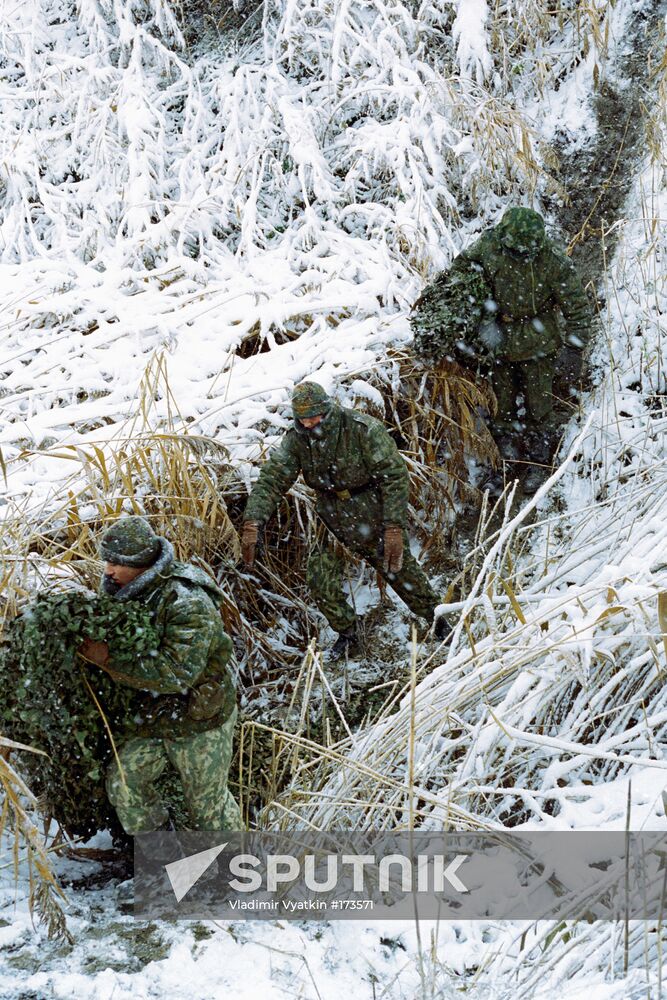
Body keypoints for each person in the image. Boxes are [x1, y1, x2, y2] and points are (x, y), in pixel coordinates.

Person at [241, 382, 449, 655]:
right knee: (320, 578)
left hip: (370, 509)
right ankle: (349, 633)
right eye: (302, 418)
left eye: (314, 415)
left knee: (398, 568)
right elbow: (273, 479)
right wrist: (253, 521)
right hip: (330, 516)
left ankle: (439, 619)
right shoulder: (297, 439)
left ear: (327, 409)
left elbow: (394, 476)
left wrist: (394, 527)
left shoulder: (362, 429)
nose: (309, 422)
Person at [79, 515, 242, 835]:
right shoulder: (121, 589)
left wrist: (107, 659)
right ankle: (163, 853)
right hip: (153, 715)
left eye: (116, 563)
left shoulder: (186, 599)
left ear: (141, 564)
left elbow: (177, 674)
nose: (108, 570)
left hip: (200, 718)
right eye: (107, 561)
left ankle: (236, 871)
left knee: (207, 806)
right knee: (125, 785)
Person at [411, 207, 593, 493]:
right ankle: (504, 462)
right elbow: (460, 274)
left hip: (538, 342)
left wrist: (574, 350)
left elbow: (578, 307)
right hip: (497, 341)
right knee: (501, 408)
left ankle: (538, 463)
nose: (521, 254)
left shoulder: (553, 260)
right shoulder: (488, 246)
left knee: (538, 406)